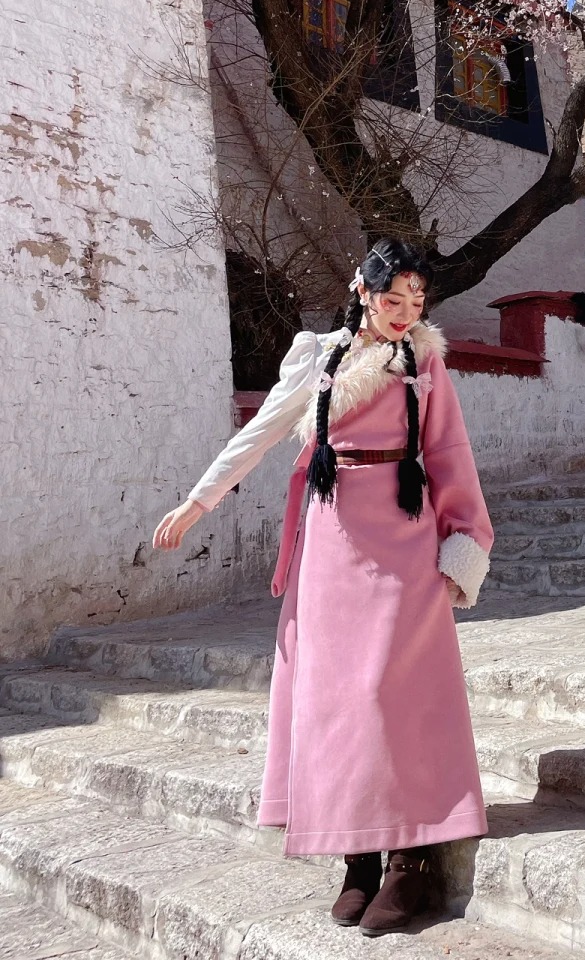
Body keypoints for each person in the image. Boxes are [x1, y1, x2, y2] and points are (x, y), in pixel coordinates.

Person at [152, 238, 493, 936]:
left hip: (403, 534)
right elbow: (260, 434)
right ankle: (359, 859)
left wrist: (464, 541)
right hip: (330, 541)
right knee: (338, 698)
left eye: (417, 301)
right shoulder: (317, 357)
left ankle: (412, 860)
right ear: (361, 291)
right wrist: (197, 502)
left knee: (393, 694)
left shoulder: (424, 362)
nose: (405, 313)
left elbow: (449, 455)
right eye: (392, 299)